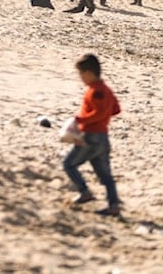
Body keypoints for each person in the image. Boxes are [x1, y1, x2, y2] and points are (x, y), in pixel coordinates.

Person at [63, 53, 122, 217]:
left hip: (91, 136)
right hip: (103, 137)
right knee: (105, 175)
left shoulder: (96, 91)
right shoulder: (106, 90)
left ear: (88, 73)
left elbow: (100, 112)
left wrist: (80, 119)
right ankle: (114, 205)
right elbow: (116, 109)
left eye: (81, 74)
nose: (80, 78)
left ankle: (84, 192)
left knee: (68, 164)